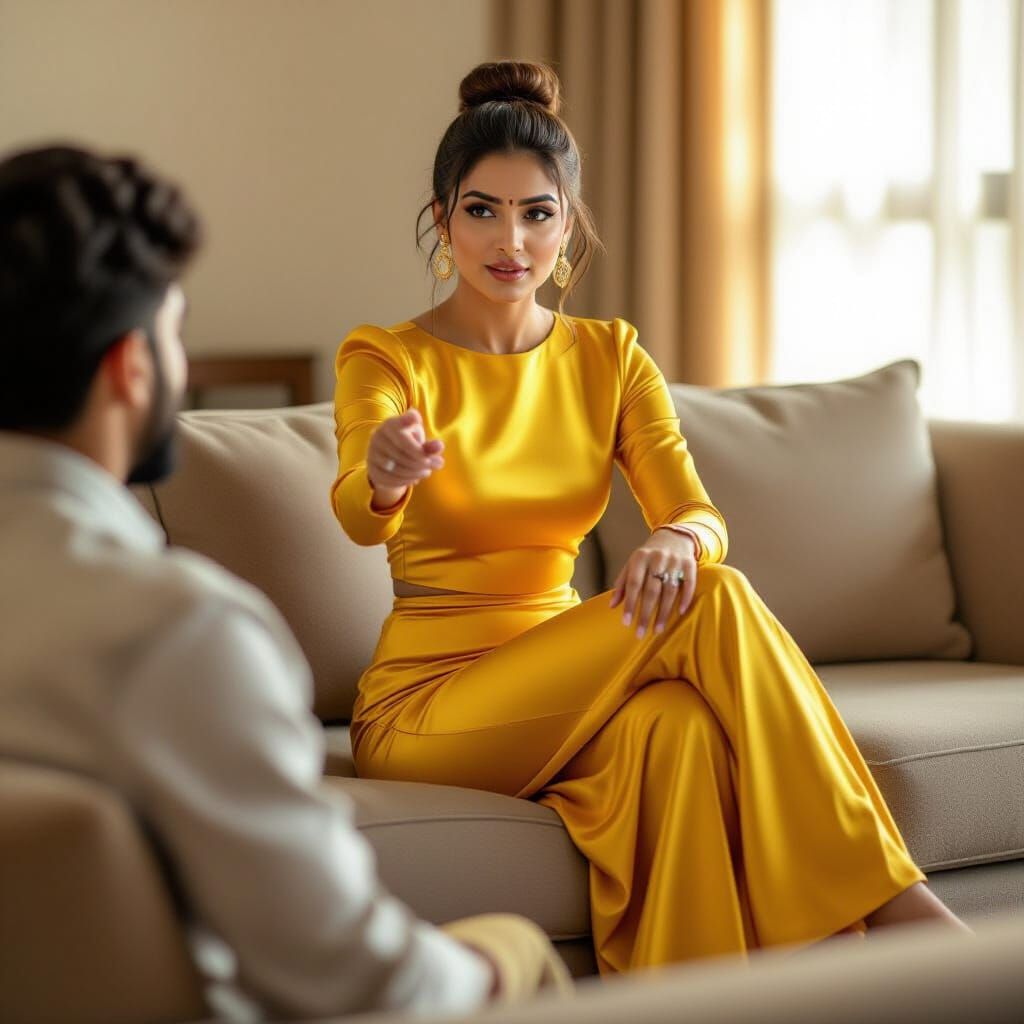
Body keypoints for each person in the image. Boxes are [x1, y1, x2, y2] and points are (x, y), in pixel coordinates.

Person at [330, 59, 974, 976]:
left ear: (569, 222)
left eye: (537, 213)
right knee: (715, 599)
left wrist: (677, 535)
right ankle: (896, 904)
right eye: (482, 210)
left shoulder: (612, 356)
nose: (511, 239)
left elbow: (699, 515)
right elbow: (359, 514)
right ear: (443, 219)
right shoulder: (385, 357)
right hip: (428, 706)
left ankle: (703, 998)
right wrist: (387, 476)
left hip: (562, 679)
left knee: (679, 727)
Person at [0, 143, 571, 1021]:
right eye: (174, 332)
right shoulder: (180, 632)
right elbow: (358, 984)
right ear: (130, 367)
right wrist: (506, 957)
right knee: (517, 950)